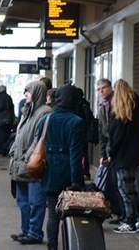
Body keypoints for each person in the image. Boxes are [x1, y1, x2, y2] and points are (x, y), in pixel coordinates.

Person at [38, 84, 86, 250]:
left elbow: (40, 146)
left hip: (49, 171)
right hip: (67, 172)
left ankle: (52, 246)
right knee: (69, 214)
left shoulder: (45, 119)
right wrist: (77, 181)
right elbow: (75, 156)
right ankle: (69, 246)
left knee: (52, 212)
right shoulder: (77, 122)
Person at [8, 81, 51, 245]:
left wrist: (27, 156)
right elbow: (20, 134)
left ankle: (35, 233)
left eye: (28, 91)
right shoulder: (27, 112)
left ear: (37, 93)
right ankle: (26, 230)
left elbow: (40, 138)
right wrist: (14, 150)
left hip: (32, 164)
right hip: (20, 164)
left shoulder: (44, 112)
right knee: (22, 201)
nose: (25, 94)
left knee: (36, 202)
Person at [107, 79, 139, 234]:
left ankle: (130, 221)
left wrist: (111, 153)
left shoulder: (119, 112)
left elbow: (116, 137)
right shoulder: (136, 107)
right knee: (135, 190)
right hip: (137, 155)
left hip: (123, 156)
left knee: (125, 190)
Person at [96, 78, 124, 224]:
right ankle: (118, 212)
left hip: (118, 152)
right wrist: (103, 155)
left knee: (121, 185)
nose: (101, 91)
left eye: (104, 88)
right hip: (109, 151)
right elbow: (102, 134)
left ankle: (124, 214)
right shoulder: (102, 108)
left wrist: (111, 153)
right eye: (99, 89)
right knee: (112, 185)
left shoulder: (117, 104)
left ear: (111, 88)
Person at [0, 85, 14, 156]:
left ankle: (1, 151)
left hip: (2, 119)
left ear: (0, 90)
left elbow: (0, 106)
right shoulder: (9, 97)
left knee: (1, 135)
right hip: (8, 119)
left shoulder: (1, 97)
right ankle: (5, 151)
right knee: (6, 135)